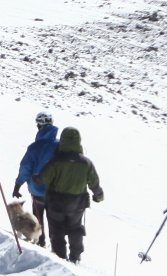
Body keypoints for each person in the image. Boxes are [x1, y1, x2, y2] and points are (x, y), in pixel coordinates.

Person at [34, 127, 104, 263]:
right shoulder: (86, 163)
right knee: (75, 228)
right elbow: (94, 184)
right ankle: (75, 257)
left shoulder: (56, 161)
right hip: (77, 204)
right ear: (78, 141)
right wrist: (98, 196)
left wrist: (35, 177)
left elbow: (43, 178)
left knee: (57, 230)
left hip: (56, 202)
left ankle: (60, 259)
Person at [11, 111, 60, 247]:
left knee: (38, 219)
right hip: (56, 192)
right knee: (54, 220)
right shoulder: (60, 145)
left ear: (40, 126)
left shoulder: (34, 147)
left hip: (37, 191)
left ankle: (41, 242)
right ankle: (57, 250)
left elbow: (25, 168)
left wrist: (17, 185)